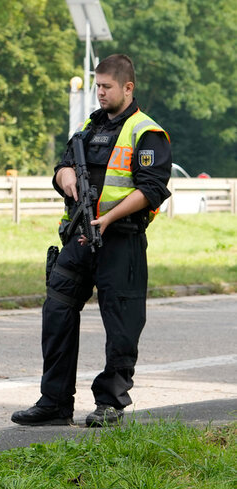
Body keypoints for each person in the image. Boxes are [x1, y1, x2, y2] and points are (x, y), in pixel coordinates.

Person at [11, 54, 172, 428]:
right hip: (79, 238)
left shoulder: (147, 132)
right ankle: (54, 403)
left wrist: (110, 216)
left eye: (106, 87)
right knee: (56, 314)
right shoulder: (89, 127)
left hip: (121, 241)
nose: (99, 93)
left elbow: (152, 189)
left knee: (122, 325)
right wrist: (64, 176)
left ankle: (110, 403)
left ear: (127, 88)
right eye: (97, 86)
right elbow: (64, 164)